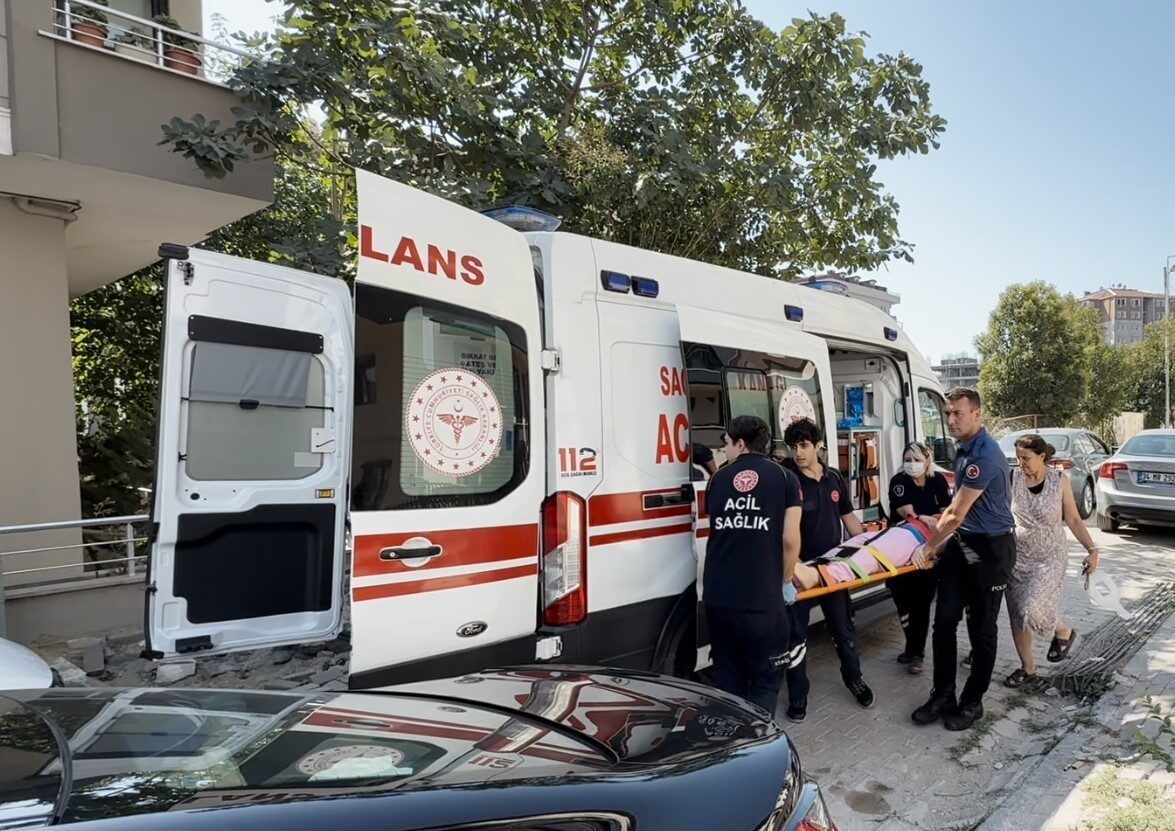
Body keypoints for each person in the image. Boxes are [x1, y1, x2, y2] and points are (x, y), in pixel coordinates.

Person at [910, 387, 1015, 731]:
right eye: (947, 414)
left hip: (991, 549)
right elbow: (956, 515)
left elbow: (955, 512)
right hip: (961, 543)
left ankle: (972, 701)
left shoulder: (984, 455)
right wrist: (942, 544)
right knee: (944, 621)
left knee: (981, 628)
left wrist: (928, 547)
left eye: (958, 413)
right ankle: (943, 694)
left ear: (977, 414)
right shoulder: (963, 449)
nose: (951, 420)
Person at [703, 415, 804, 716]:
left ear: (740, 443)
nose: (725, 449)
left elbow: (720, 529)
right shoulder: (785, 478)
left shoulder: (717, 479)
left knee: (729, 681)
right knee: (765, 682)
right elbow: (789, 539)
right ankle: (758, 741)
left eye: (726, 443)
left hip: (719, 598)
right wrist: (786, 580)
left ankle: (734, 738)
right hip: (762, 601)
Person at [781, 417, 876, 722]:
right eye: (793, 446)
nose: (798, 452)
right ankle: (798, 696)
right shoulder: (787, 479)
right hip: (799, 571)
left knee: (843, 629)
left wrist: (869, 549)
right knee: (795, 637)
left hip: (833, 570)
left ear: (818, 446)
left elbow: (849, 519)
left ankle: (854, 679)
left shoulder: (834, 477)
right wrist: (788, 570)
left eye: (804, 445)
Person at [1003, 434, 1101, 687]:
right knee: (1017, 616)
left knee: (1031, 608)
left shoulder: (1059, 480)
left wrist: (1091, 549)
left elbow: (1074, 519)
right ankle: (1028, 669)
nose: (1021, 463)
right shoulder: (1013, 478)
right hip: (1018, 557)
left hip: (1050, 555)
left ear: (1042, 456)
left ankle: (1063, 631)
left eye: (1026, 458)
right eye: (1018, 457)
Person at [887, 442, 952, 675]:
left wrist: (936, 520)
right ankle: (912, 646)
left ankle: (916, 653)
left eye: (916, 459)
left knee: (922, 602)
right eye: (908, 460)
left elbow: (947, 513)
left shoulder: (938, 481)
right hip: (901, 548)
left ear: (927, 460)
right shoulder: (899, 482)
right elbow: (907, 512)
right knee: (903, 599)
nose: (912, 464)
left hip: (928, 548)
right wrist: (925, 518)